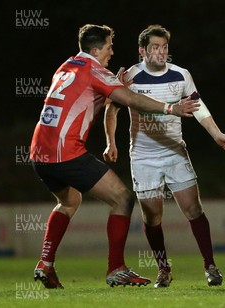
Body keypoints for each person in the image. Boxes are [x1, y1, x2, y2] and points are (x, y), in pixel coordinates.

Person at [30, 24, 200, 289]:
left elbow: (88, 94)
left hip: (39, 153)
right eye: (109, 46)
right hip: (66, 152)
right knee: (122, 198)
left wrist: (112, 84)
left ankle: (45, 263)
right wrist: (171, 108)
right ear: (96, 50)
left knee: (69, 201)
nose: (112, 52)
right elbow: (130, 99)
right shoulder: (95, 70)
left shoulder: (66, 66)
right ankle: (115, 268)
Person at [104, 25, 225, 288]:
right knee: (152, 218)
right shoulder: (130, 76)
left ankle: (210, 265)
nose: (161, 52)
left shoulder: (181, 75)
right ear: (142, 50)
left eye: (164, 47)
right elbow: (111, 109)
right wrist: (110, 142)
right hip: (143, 157)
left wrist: (217, 134)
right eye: (155, 47)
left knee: (194, 209)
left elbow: (198, 107)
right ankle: (164, 269)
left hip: (175, 152)